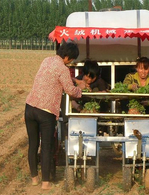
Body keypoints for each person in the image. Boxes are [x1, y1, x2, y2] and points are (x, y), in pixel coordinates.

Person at [24, 41, 86, 190]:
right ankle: (46, 182)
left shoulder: (46, 60)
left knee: (33, 144)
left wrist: (74, 80)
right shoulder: (63, 69)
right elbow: (70, 91)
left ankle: (34, 178)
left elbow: (54, 77)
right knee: (46, 146)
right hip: (46, 111)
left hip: (30, 107)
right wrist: (80, 89)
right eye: (71, 60)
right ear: (67, 57)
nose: (70, 63)